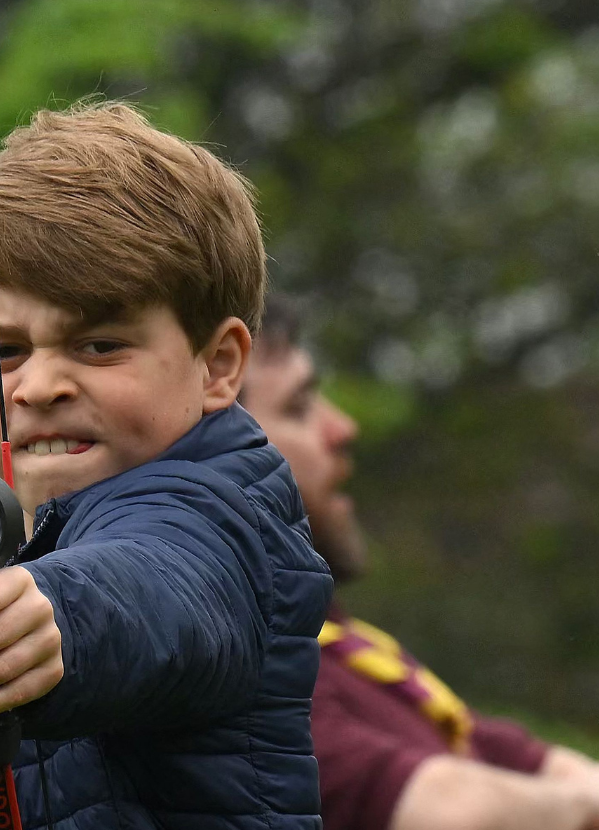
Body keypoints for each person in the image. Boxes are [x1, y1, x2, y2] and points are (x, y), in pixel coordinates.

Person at [0, 102, 333, 828]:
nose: (41, 386)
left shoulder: (219, 510)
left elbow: (160, 588)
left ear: (219, 365)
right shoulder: (30, 514)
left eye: (100, 345)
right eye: (4, 351)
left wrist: (56, 621)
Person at [241, 300, 599, 830]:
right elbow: (450, 811)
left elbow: (495, 746)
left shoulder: (339, 645)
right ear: (220, 450)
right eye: (299, 407)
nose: (343, 428)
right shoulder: (237, 660)